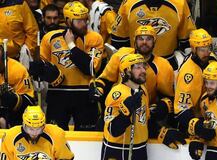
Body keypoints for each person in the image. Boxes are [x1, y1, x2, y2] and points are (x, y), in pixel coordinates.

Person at [29, 1, 104, 131]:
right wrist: (40, 70)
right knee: (55, 134)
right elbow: (42, 66)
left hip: (84, 94)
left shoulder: (95, 38)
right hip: (58, 94)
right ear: (68, 21)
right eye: (79, 20)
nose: (84, 23)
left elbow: (91, 68)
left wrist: (71, 45)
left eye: (85, 19)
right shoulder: (50, 38)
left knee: (87, 135)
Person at [91, 25, 175, 131]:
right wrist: (97, 87)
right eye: (140, 39)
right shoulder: (120, 55)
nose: (144, 42)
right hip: (117, 110)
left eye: (149, 39)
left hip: (143, 115)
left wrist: (162, 106)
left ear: (154, 42)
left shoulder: (163, 65)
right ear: (135, 41)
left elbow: (169, 97)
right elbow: (105, 80)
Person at [110, 0, 196, 69]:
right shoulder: (128, 3)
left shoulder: (180, 4)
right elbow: (119, 39)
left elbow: (188, 41)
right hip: (135, 66)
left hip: (168, 65)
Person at [174, 28, 217, 138]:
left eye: (208, 48)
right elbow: (181, 109)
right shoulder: (188, 74)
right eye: (202, 49)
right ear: (193, 49)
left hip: (210, 113)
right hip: (195, 119)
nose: (207, 52)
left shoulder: (210, 58)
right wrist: (198, 126)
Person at [0, 39, 36, 128]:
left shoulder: (18, 69)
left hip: (13, 115)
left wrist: (14, 99)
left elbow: (30, 102)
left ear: (2, 51)